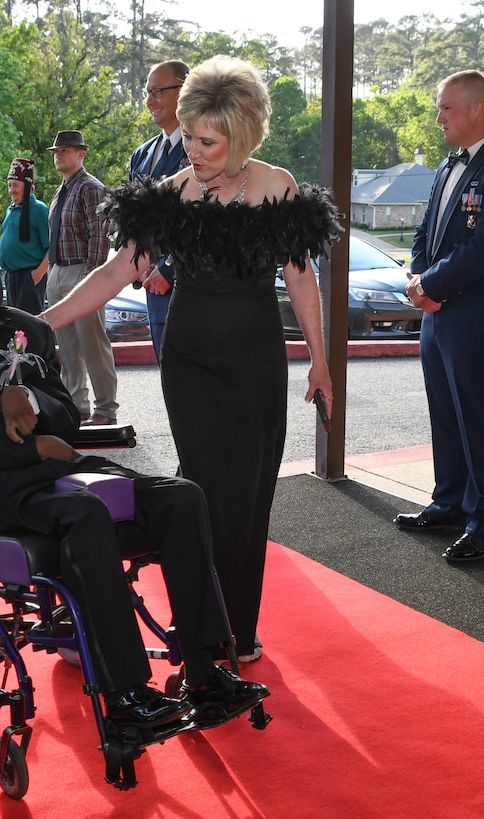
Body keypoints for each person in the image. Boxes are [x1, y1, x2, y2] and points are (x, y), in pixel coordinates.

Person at [0, 240, 269, 727]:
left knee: (181, 497)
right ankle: (127, 695)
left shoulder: (26, 331)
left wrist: (28, 398)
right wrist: (33, 447)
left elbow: (67, 415)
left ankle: (204, 668)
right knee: (86, 513)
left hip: (59, 472)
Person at [41, 55, 340, 664]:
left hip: (257, 358)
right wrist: (44, 321)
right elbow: (116, 271)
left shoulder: (276, 185)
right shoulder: (169, 196)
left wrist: (321, 361)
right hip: (191, 360)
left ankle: (240, 627)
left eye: (207, 140)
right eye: (189, 135)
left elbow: (302, 280)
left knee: (252, 492)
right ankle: (203, 629)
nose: (192, 150)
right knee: (203, 490)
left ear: (242, 136)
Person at [395, 70, 484, 563]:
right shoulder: (447, 166)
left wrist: (431, 286)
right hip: (437, 312)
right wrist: (417, 278)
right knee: (445, 411)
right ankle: (449, 503)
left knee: (478, 413)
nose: (438, 118)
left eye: (447, 108)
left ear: (477, 109)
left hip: (477, 312)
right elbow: (424, 232)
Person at [45, 130, 119, 426]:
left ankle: (105, 408)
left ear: (81, 154)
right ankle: (76, 407)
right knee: (68, 346)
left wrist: (91, 280)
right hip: (59, 270)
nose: (59, 155)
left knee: (92, 342)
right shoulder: (61, 190)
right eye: (57, 151)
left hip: (81, 271)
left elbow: (100, 237)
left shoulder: (91, 188)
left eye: (65, 150)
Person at [128, 60, 190, 360]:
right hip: (152, 289)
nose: (149, 101)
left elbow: (204, 219)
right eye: (147, 92)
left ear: (184, 90)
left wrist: (168, 268)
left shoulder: (204, 148)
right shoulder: (141, 155)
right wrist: (137, 264)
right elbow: (133, 221)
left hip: (190, 288)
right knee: (168, 378)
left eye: (157, 92)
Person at [0, 157, 49, 313]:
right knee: (15, 326)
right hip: (12, 278)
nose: (12, 190)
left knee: (30, 324)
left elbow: (51, 246)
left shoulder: (39, 209)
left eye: (16, 185)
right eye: (10, 185)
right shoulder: (10, 210)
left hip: (29, 277)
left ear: (27, 187)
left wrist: (37, 275)